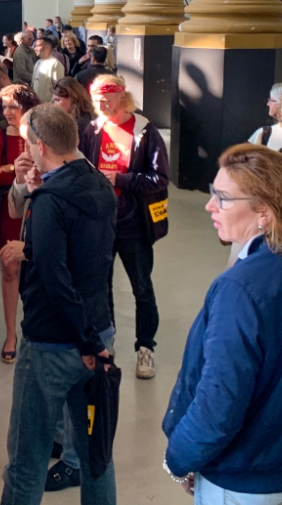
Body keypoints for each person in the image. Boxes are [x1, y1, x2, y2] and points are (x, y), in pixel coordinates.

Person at [163, 144, 282, 503]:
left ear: (265, 212)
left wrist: (179, 458)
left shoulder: (241, 287)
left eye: (222, 198)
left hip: (249, 481)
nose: (210, 206)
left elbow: (220, 398)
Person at [0, 104, 118, 505]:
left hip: (54, 343)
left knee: (27, 459)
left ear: (41, 145)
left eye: (27, 142)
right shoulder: (99, 185)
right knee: (95, 455)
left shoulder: (51, 202)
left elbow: (54, 279)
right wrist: (96, 340)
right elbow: (90, 262)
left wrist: (84, 342)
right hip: (98, 333)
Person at [82, 74, 169, 379]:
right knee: (99, 285)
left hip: (133, 224)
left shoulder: (145, 131)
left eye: (106, 98)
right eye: (96, 100)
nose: (101, 104)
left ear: (122, 97)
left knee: (142, 288)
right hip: (100, 223)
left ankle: (145, 347)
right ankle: (106, 341)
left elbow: (159, 178)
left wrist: (121, 180)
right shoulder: (92, 130)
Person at [0, 84, 39, 363]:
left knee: (39, 270)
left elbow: (48, 170)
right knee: (9, 270)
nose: (8, 112)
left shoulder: (40, 134)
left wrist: (14, 171)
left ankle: (33, 330)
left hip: (38, 211)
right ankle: (10, 334)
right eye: (4, 107)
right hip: (7, 212)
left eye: (13, 106)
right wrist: (20, 171)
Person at [31, 37, 65, 104]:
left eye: (38, 46)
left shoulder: (55, 64)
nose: (35, 49)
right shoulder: (38, 62)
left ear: (47, 47)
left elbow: (59, 88)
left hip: (47, 106)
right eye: (35, 46)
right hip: (36, 104)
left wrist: (50, 104)